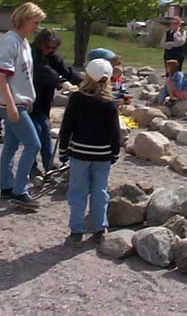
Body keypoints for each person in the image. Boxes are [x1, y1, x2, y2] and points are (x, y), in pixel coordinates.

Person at [59, 58, 121, 246]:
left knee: (77, 191)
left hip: (79, 153)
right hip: (102, 155)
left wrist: (63, 150)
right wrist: (115, 153)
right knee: (100, 191)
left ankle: (76, 231)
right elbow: (114, 131)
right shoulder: (110, 103)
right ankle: (99, 228)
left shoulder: (77, 98)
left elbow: (66, 126)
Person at [0, 2, 46, 210]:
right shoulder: (10, 41)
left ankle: (6, 186)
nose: (37, 27)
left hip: (20, 102)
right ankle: (20, 191)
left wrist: (27, 99)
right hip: (10, 104)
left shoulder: (23, 42)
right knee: (33, 144)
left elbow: (23, 76)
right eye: (36, 22)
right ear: (24, 19)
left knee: (11, 145)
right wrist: (12, 105)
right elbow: (1, 76)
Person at [30, 28, 83, 176]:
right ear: (40, 43)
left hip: (43, 101)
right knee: (34, 136)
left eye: (54, 48)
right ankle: (31, 167)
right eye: (48, 47)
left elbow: (65, 69)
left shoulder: (51, 55)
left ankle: (48, 165)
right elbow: (42, 71)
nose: (50, 50)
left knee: (45, 133)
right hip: (29, 100)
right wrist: (60, 82)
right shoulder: (30, 54)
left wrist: (83, 83)